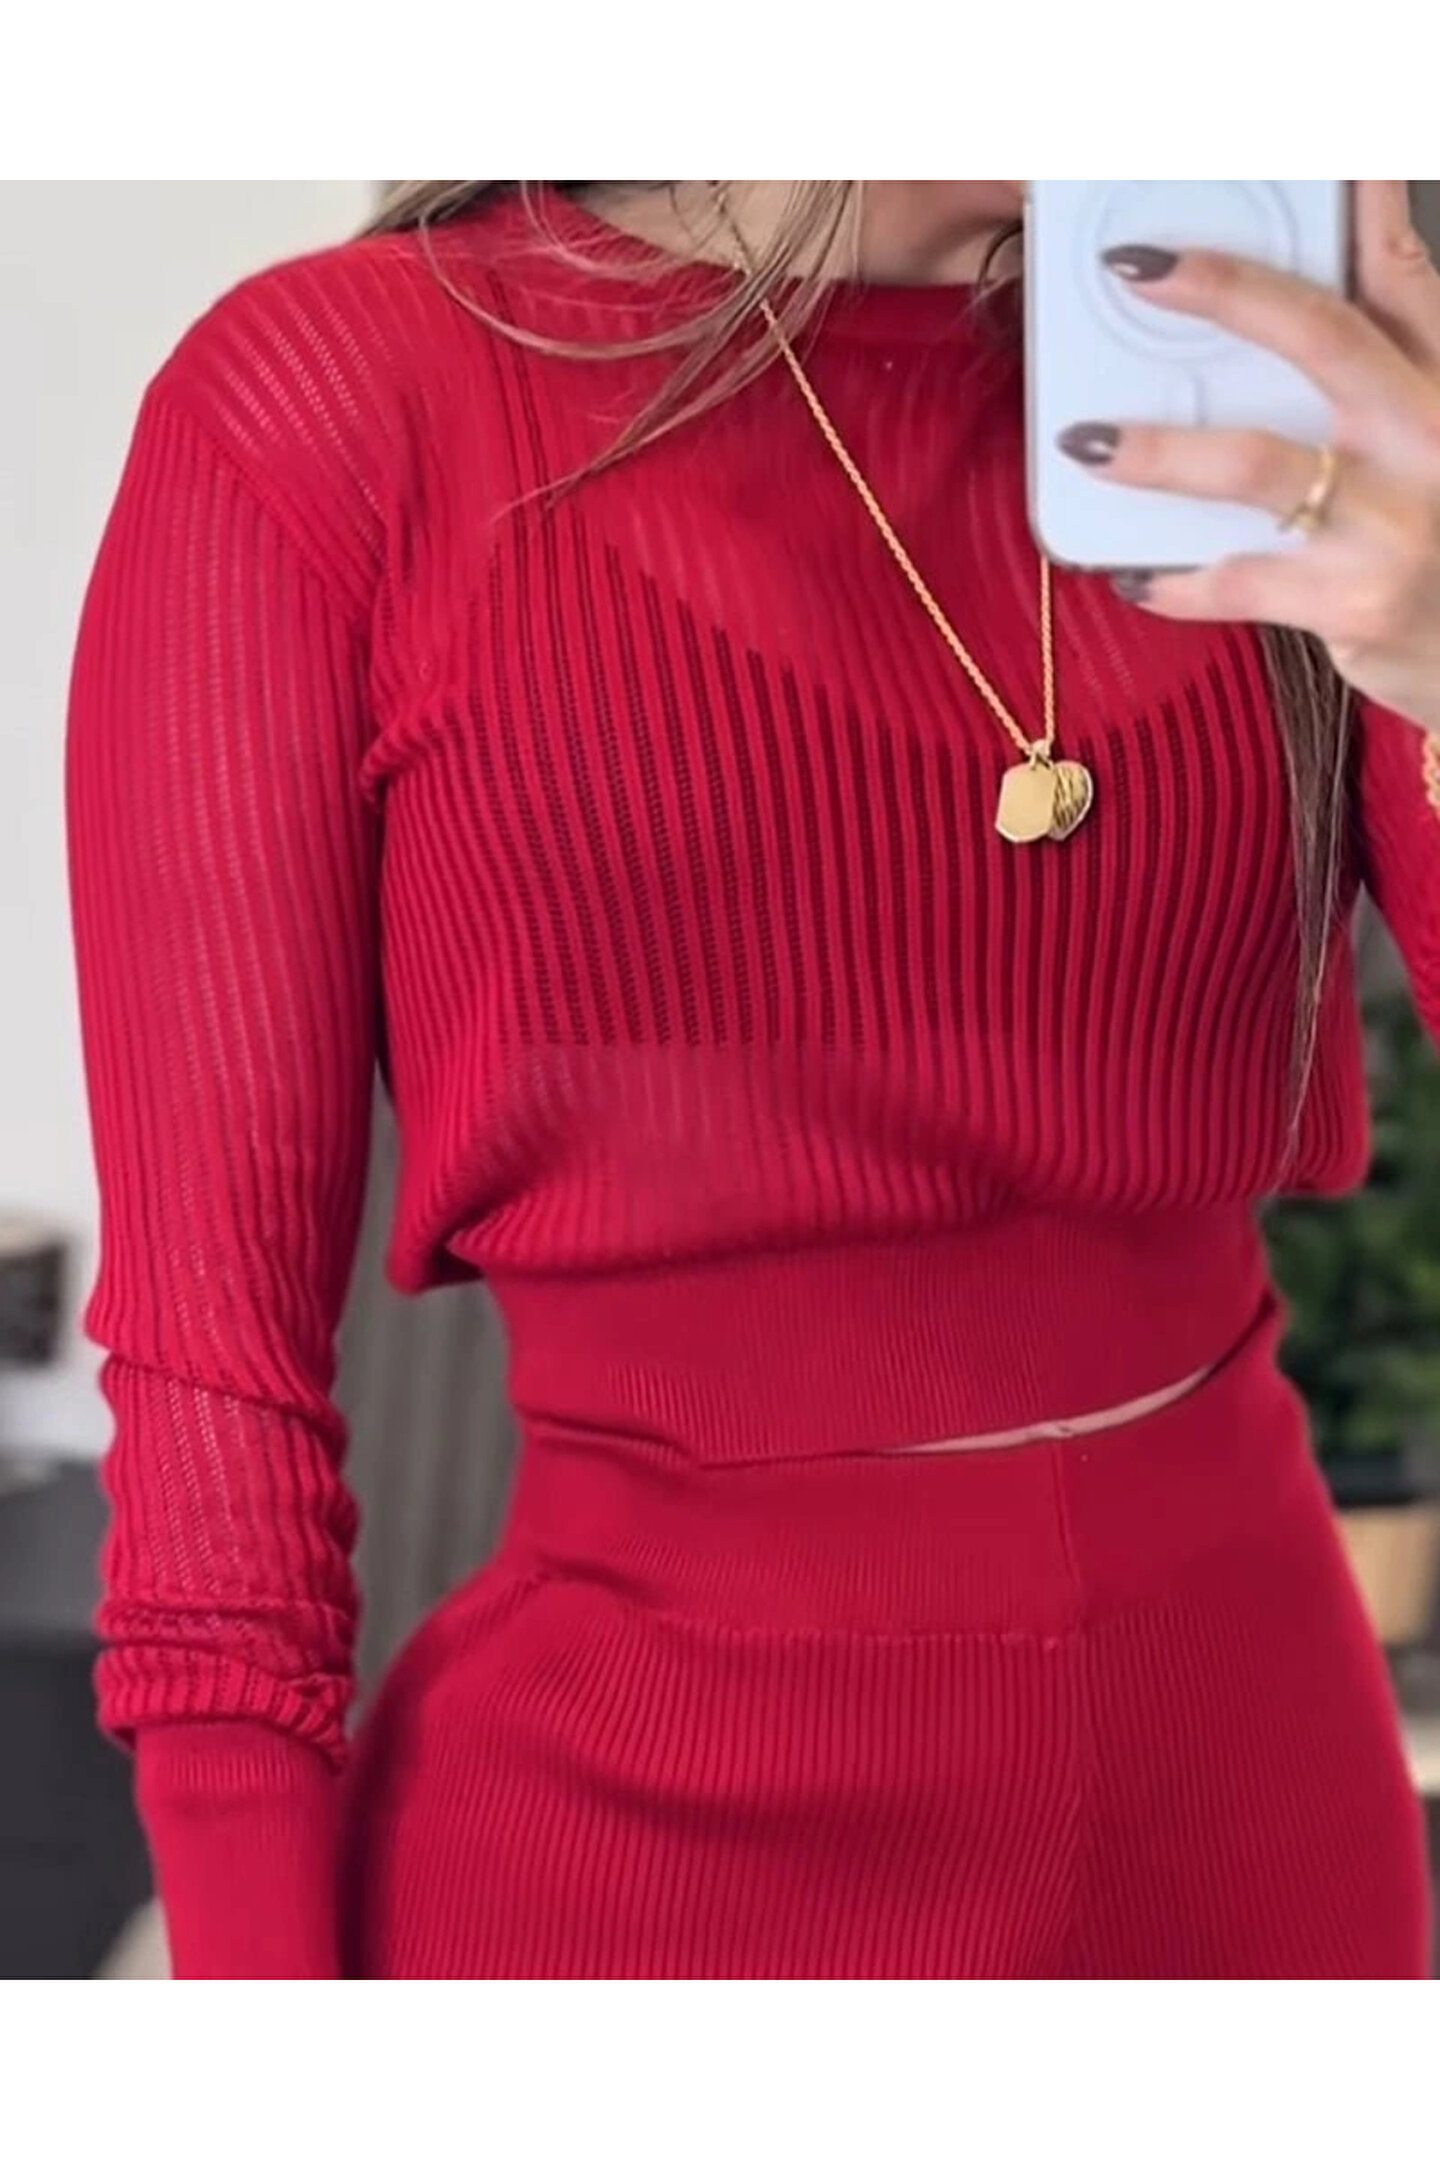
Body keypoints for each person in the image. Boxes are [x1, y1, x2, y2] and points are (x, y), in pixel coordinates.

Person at [65, 179, 1440, 1980]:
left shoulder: (1275, 374)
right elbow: (215, 1371)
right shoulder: (343, 395)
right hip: (631, 1848)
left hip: (1262, 1803)